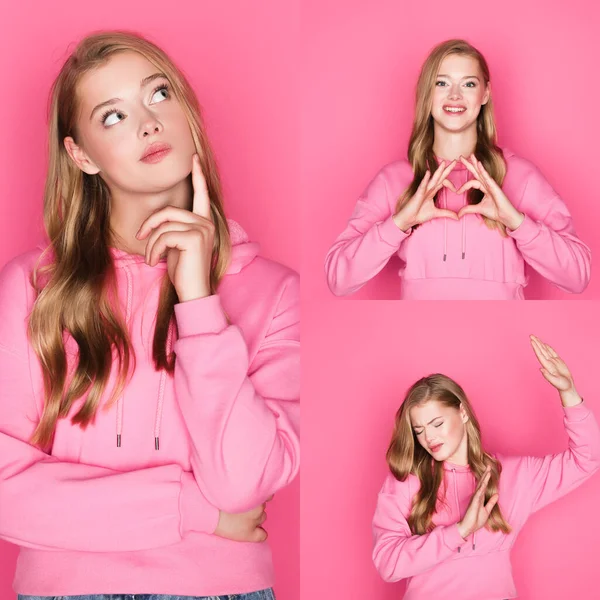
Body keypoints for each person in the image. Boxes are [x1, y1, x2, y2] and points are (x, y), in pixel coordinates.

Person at [0, 30, 299, 600]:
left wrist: (200, 304)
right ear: (81, 156)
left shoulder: (274, 292)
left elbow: (242, 484)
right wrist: (193, 512)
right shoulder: (31, 287)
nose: (147, 122)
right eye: (112, 116)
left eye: (159, 94)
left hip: (223, 592)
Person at [325, 39, 590, 300]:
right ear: (427, 92)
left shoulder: (521, 177)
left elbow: (577, 277)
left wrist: (517, 221)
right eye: (442, 83)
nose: (455, 95)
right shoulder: (393, 180)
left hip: (500, 336)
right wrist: (399, 223)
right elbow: (338, 280)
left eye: (468, 84)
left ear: (485, 93)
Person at [372, 335, 600, 600]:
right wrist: (460, 531)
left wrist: (569, 393)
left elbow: (589, 457)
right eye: (419, 430)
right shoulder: (406, 482)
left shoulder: (515, 475)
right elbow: (387, 564)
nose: (429, 438)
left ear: (463, 413)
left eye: (437, 424)